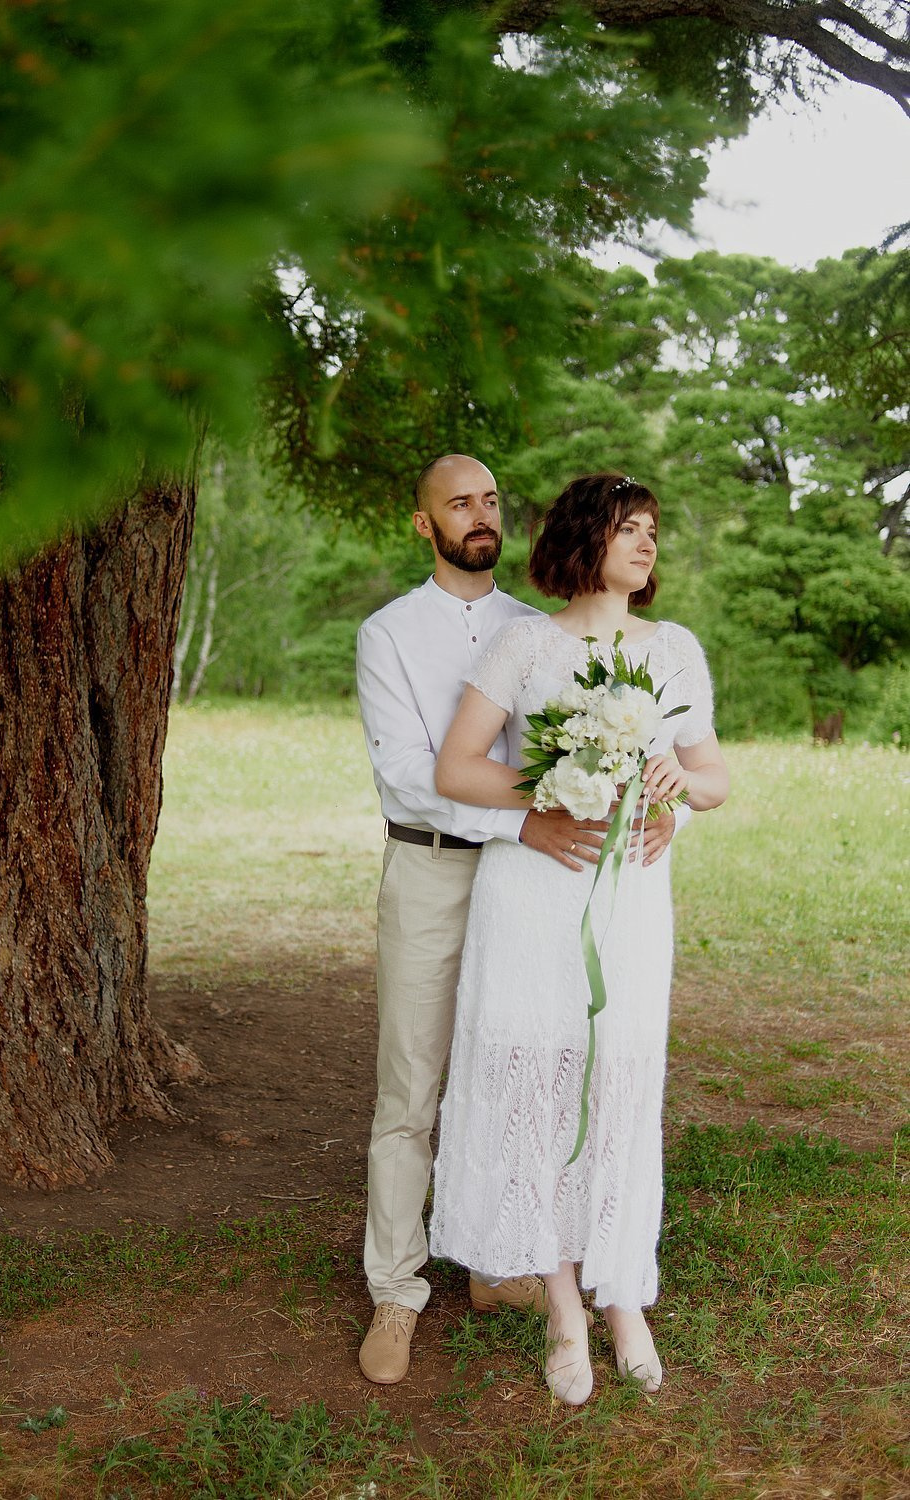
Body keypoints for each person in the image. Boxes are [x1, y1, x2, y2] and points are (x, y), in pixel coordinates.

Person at [355, 455, 681, 1386]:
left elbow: (637, 748)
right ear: (425, 525)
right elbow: (415, 772)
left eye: (491, 499)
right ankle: (398, 1287)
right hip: (433, 864)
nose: (478, 514)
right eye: (458, 503)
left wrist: (645, 801)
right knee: (412, 1086)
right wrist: (529, 818)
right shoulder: (389, 634)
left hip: (535, 884)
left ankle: (508, 1263)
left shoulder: (540, 627)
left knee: (529, 1069)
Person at [430, 471, 729, 1406]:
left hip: (632, 901)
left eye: (652, 530)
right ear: (583, 540)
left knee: (617, 1079)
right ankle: (562, 1304)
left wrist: (683, 793)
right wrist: (552, 792)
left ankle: (621, 1293)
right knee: (542, 1081)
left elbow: (713, 773)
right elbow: (456, 767)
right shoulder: (525, 645)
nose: (645, 544)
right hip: (536, 892)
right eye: (627, 528)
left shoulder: (675, 649)